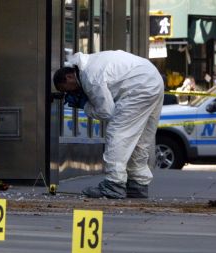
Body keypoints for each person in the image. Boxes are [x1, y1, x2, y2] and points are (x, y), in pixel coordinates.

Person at [53, 50, 164, 199]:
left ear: (68, 77)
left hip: (139, 86)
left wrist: (84, 105)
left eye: (65, 90)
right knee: (139, 140)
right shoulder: (90, 64)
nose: (69, 94)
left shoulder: (89, 77)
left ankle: (114, 184)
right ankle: (138, 184)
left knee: (117, 133)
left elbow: (107, 112)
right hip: (152, 79)